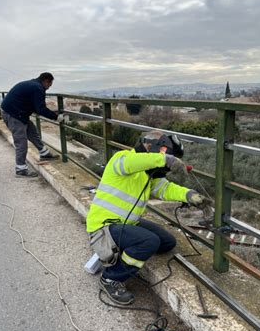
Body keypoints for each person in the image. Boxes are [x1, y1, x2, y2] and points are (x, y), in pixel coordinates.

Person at [86, 130, 206, 305]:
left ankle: (125, 252)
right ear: (155, 149)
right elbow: (133, 163)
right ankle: (111, 278)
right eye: (166, 157)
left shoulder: (148, 174)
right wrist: (165, 160)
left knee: (167, 242)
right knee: (148, 241)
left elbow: (166, 189)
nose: (165, 168)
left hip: (127, 223)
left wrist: (189, 195)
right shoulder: (123, 159)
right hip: (103, 228)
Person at [1, 72, 65, 177]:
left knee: (32, 132)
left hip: (19, 113)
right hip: (13, 114)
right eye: (49, 85)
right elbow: (40, 108)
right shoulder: (37, 88)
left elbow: (36, 106)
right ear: (46, 81)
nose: (48, 88)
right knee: (21, 142)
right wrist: (56, 117)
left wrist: (53, 114)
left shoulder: (33, 85)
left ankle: (44, 154)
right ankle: (20, 169)